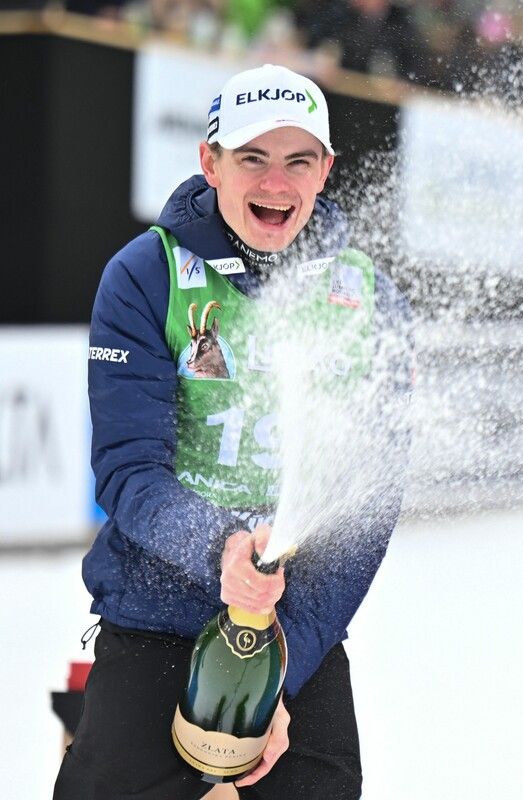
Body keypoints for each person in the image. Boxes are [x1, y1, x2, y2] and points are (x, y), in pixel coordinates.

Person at [54, 63, 410, 799]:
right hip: (153, 616)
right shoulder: (146, 275)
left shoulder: (368, 299)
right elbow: (127, 472)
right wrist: (218, 549)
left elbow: (366, 509)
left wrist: (284, 667)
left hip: (298, 626)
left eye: (297, 161)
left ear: (326, 171)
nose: (275, 185)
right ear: (210, 163)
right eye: (252, 159)